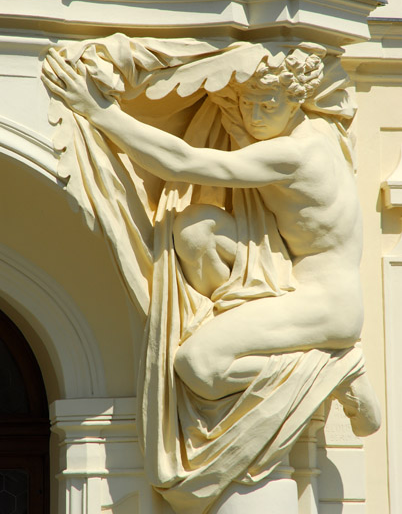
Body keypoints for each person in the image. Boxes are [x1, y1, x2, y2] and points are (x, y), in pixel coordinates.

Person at [42, 44, 380, 437]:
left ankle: (333, 370)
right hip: (292, 277)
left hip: (324, 305)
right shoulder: (321, 129)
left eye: (267, 107)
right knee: (194, 228)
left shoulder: (294, 154)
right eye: (249, 104)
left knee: (198, 365)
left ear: (295, 101)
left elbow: (185, 162)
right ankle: (238, 324)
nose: (254, 118)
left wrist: (101, 113)